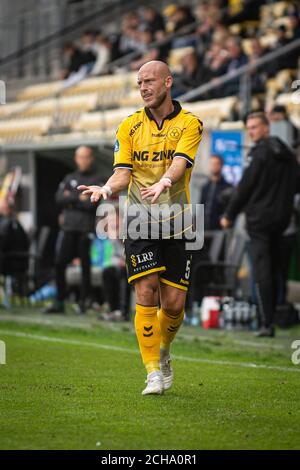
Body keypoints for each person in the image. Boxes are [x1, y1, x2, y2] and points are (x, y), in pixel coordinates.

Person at [78, 60, 203, 395]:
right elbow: (123, 172)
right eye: (139, 83)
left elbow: (180, 163)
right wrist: (106, 189)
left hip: (178, 219)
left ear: (168, 82)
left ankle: (163, 353)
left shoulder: (191, 123)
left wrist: (164, 181)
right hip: (138, 219)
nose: (144, 88)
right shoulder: (129, 126)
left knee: (174, 304)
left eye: (149, 81)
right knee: (146, 289)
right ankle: (151, 372)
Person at [220, 112, 300, 337]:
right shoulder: (287, 153)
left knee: (262, 272)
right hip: (282, 222)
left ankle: (267, 323)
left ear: (266, 127)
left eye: (255, 127)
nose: (251, 131)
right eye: (249, 128)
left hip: (259, 222)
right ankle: (277, 317)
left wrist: (229, 214)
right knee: (276, 272)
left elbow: (244, 188)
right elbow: (296, 184)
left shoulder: (259, 154)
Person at [44, 146, 100, 315]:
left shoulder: (97, 179)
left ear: (91, 159)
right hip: (68, 229)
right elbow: (59, 198)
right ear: (76, 159)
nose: (83, 160)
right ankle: (59, 301)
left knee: (85, 267)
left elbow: (91, 203)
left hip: (85, 230)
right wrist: (79, 198)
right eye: (80, 157)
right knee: (59, 263)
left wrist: (71, 198)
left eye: (86, 157)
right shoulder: (69, 177)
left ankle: (83, 302)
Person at [200, 155, 232, 230]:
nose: (213, 166)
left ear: (221, 166)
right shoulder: (205, 187)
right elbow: (201, 208)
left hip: (220, 231)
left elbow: (230, 209)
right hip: (204, 230)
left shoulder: (228, 188)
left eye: (216, 164)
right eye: (212, 163)